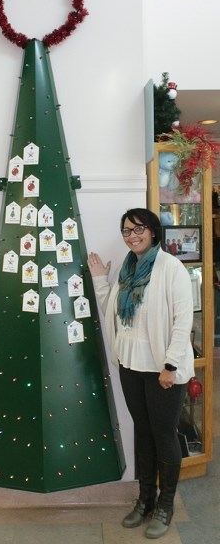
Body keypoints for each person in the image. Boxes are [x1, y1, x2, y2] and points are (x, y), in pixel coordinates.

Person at [88, 208, 194, 539]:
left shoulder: (170, 267)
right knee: (143, 433)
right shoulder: (126, 268)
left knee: (164, 436)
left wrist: (171, 364)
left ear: (152, 231)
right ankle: (145, 500)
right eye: (126, 231)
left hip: (162, 369)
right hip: (131, 365)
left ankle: (165, 504)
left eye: (138, 230)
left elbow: (182, 319)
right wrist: (99, 280)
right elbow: (113, 312)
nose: (132, 236)